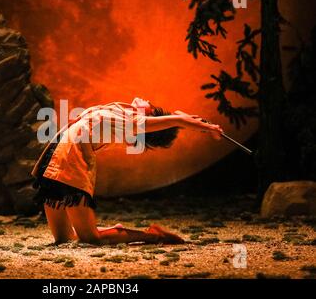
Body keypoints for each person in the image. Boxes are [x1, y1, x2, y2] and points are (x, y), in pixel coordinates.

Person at [31, 98, 223, 245]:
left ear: (149, 119)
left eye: (151, 107)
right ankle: (117, 230)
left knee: (91, 239)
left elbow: (165, 121)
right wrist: (183, 119)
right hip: (54, 158)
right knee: (64, 240)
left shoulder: (131, 122)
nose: (146, 100)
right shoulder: (120, 112)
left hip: (68, 162)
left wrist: (199, 125)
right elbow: (171, 119)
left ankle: (152, 236)